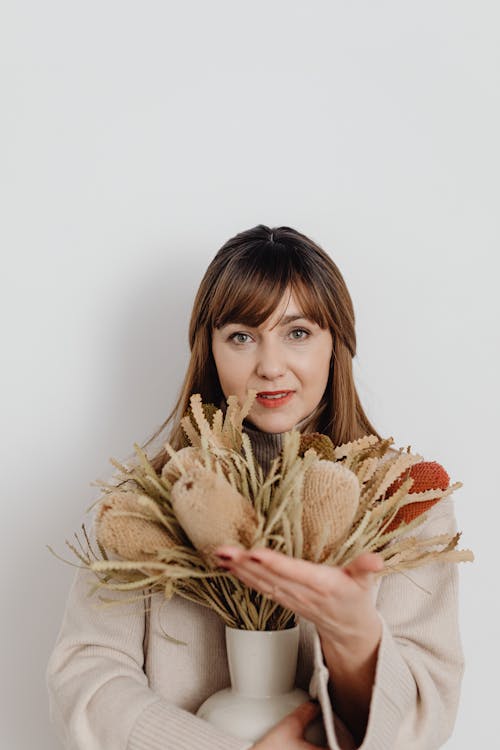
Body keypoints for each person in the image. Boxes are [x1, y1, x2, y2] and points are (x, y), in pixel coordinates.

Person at [46, 224, 464, 750]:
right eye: (241, 336)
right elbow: (86, 676)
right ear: (210, 348)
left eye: (298, 333)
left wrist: (355, 636)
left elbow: (427, 718)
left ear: (337, 343)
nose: (270, 366)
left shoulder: (405, 498)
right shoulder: (145, 502)